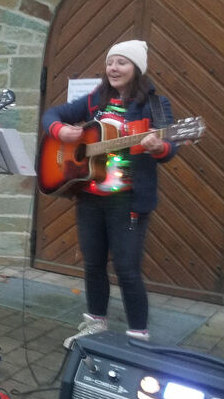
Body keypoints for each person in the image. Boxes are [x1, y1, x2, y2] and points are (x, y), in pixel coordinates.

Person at [40, 40, 179, 349]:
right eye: (110, 62)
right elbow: (52, 114)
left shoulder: (155, 105)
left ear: (137, 68)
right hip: (89, 195)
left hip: (128, 200)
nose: (113, 68)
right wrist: (60, 131)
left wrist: (161, 146)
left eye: (122, 63)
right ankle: (95, 325)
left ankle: (138, 337)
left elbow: (171, 147)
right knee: (92, 263)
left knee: (127, 268)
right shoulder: (95, 99)